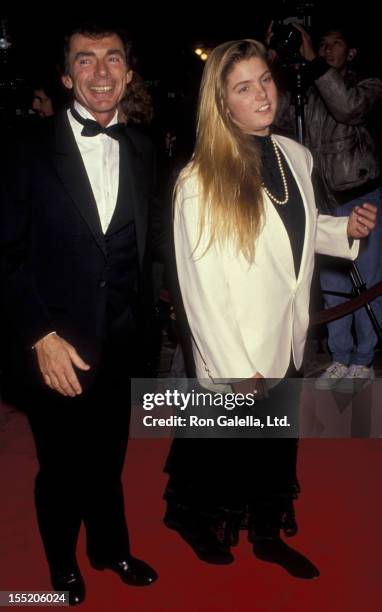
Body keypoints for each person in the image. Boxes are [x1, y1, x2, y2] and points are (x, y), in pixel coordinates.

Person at [164, 39, 376, 578]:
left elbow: (290, 233)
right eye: (243, 87)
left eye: (265, 80)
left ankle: (265, 532)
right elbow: (199, 287)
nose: (261, 94)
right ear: (222, 103)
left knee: (277, 443)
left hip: (288, 333)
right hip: (237, 341)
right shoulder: (199, 179)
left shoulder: (293, 155)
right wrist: (235, 368)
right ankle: (198, 523)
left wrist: (340, 230)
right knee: (224, 450)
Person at [0, 23, 157, 605]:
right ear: (67, 77)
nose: (101, 71)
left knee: (109, 457)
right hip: (56, 347)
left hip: (121, 339)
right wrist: (38, 333)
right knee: (61, 467)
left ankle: (108, 548)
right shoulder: (24, 148)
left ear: (128, 72)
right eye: (85, 60)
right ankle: (63, 562)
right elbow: (6, 255)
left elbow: (152, 248)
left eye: (112, 58)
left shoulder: (143, 148)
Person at [270, 24, 382, 391]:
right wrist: (274, 63)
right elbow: (277, 116)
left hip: (360, 194)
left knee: (366, 281)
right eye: (322, 43)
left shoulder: (366, 82)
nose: (327, 48)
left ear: (350, 53)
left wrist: (316, 64)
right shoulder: (309, 89)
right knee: (332, 283)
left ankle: (363, 360)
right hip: (322, 201)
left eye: (336, 43)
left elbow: (350, 108)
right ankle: (339, 356)